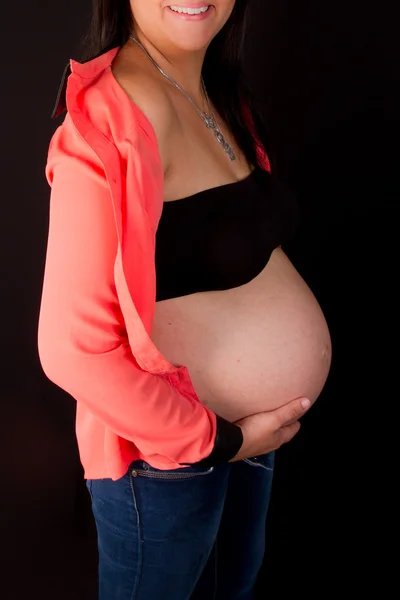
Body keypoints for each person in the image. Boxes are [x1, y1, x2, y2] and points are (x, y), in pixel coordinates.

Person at [38, 1, 332, 598]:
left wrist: (242, 440)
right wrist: (218, 440)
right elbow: (72, 352)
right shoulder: (109, 114)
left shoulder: (215, 90)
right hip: (166, 461)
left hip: (248, 442)